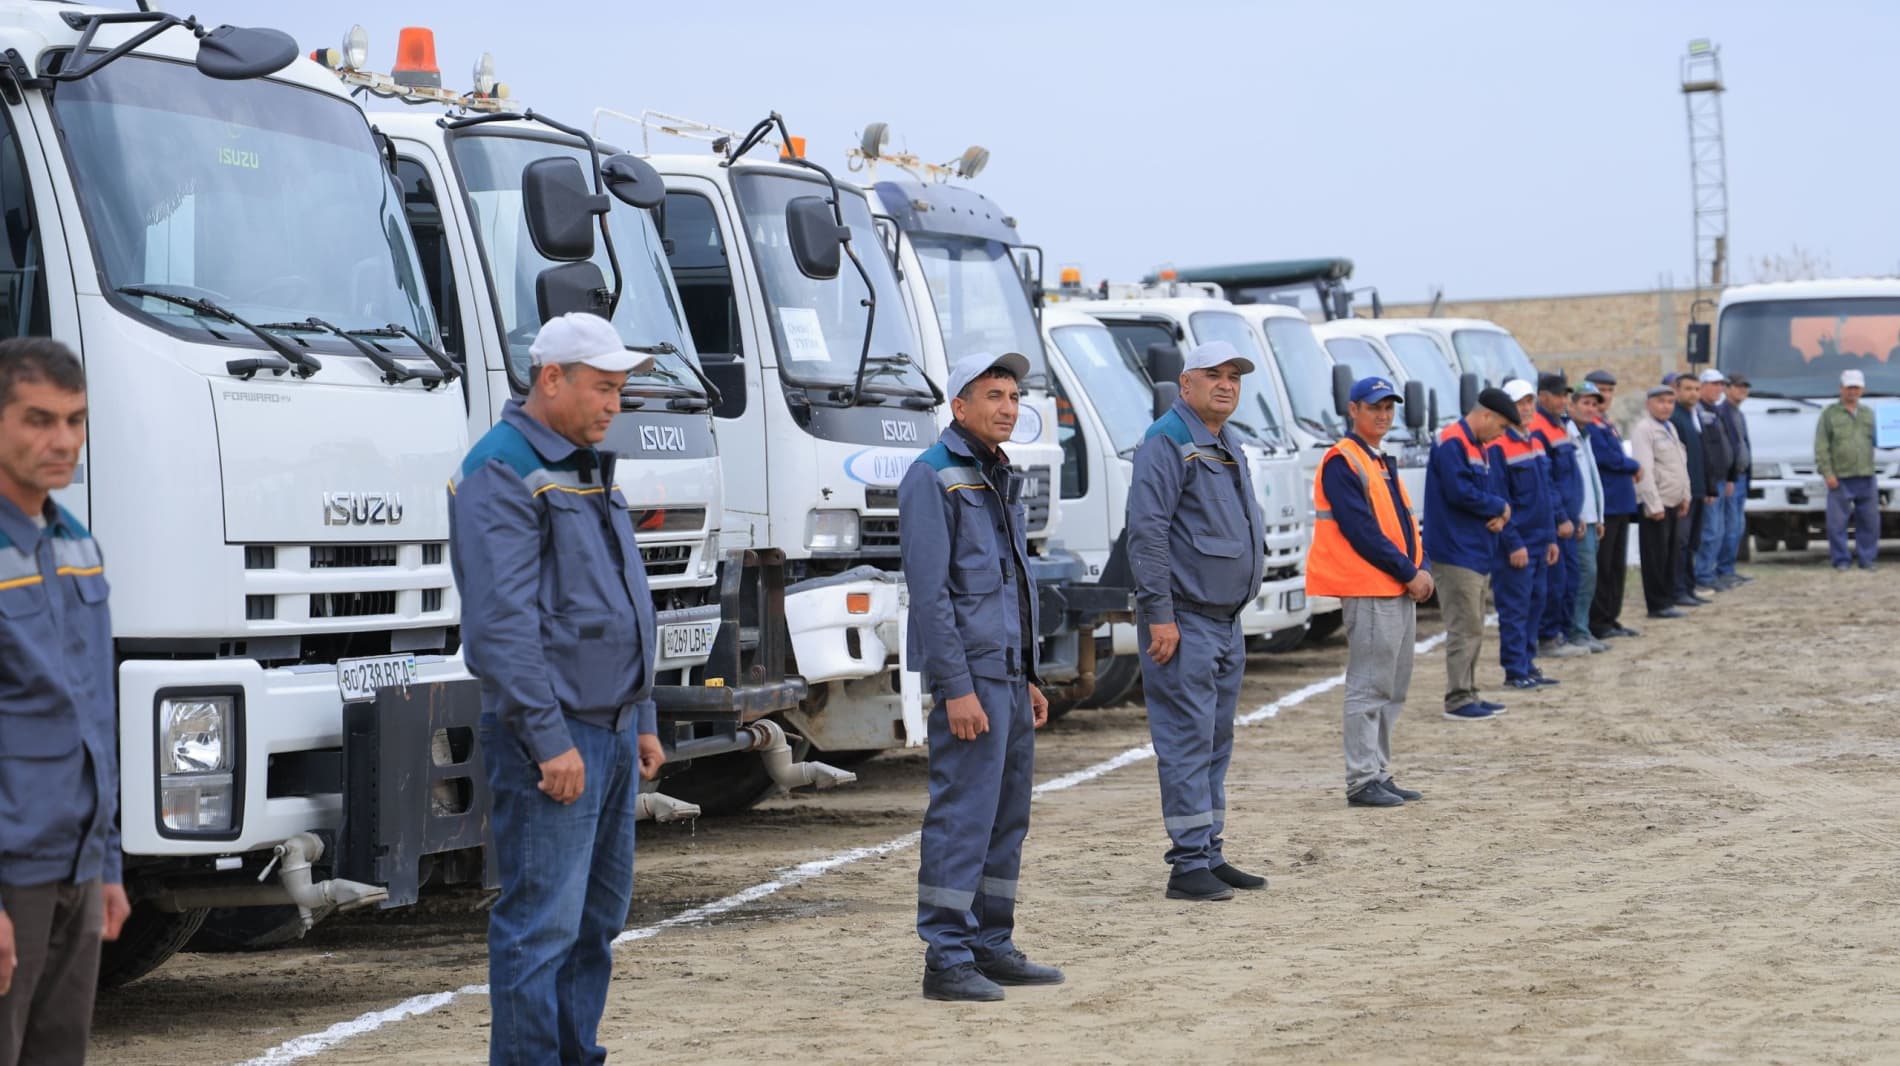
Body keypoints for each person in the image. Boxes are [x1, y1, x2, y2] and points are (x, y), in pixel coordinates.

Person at [449, 312, 667, 1064]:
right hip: (558, 737)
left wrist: (640, 714)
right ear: (552, 379)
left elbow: (620, 598)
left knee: (595, 920)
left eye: (620, 390)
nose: (614, 404)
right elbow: (501, 628)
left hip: (606, 729)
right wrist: (549, 741)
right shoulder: (503, 469)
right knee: (541, 926)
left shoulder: (581, 461)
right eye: (603, 388)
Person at [900, 351, 1061, 1002]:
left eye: (1014, 396)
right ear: (958, 407)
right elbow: (931, 595)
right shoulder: (933, 476)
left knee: (1005, 818)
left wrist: (1024, 674)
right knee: (963, 818)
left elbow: (1007, 587)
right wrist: (958, 686)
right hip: (970, 680)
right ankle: (946, 956)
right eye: (993, 395)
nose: (1008, 407)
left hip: (1006, 676)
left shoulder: (992, 473)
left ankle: (991, 944)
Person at [0, 338, 129, 1065]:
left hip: (76, 869)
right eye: (38, 420)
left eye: (75, 421)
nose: (62, 442)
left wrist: (108, 865)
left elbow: (95, 717)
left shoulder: (77, 543)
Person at [1128, 340, 1268, 902]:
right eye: (1214, 374)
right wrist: (1159, 615)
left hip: (1223, 620)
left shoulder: (1223, 439)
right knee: (1187, 739)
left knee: (1214, 739)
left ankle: (1208, 849)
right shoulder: (1167, 440)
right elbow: (1149, 532)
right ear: (1185, 384)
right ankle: (1187, 864)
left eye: (1234, 375)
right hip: (1184, 621)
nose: (1227, 384)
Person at [1309, 376, 1433, 808]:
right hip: (1371, 586)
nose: (1383, 415)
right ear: (1353, 409)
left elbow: (1400, 525)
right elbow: (1362, 531)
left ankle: (1378, 771)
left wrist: (1421, 566)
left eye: (1388, 408)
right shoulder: (1344, 459)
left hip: (1393, 585)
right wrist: (1410, 571)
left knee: (1392, 685)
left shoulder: (1377, 459)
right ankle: (1362, 778)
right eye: (1374, 407)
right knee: (1369, 685)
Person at [1422, 388, 1518, 723]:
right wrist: (1498, 507)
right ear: (1486, 415)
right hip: (1455, 551)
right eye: (1502, 426)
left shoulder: (1477, 446)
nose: (1501, 434)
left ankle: (1470, 691)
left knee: (1474, 624)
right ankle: (1458, 697)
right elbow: (1459, 491)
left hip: (1474, 549)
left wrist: (1500, 512)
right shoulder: (1453, 441)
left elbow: (1484, 492)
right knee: (1465, 625)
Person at [1489, 379, 1560, 689]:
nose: (1528, 408)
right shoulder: (1497, 446)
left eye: (1530, 402)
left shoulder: (1534, 441)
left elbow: (1547, 493)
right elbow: (1499, 500)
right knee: (1515, 608)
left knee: (1536, 604)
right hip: (1517, 545)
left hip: (1540, 541)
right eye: (1521, 403)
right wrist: (1513, 543)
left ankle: (1528, 663)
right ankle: (1515, 669)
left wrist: (1551, 538)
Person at [1526, 373, 1587, 659]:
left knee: (1570, 578)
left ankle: (1560, 632)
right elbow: (1547, 481)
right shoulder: (1538, 428)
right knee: (1555, 581)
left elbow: (1570, 478)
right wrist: (1561, 516)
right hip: (1554, 522)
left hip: (1569, 518)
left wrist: (1577, 514)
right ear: (1544, 396)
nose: (1564, 400)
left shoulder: (1558, 426)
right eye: (1559, 395)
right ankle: (1548, 636)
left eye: (1566, 395)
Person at [1583, 370, 1643, 640]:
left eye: (1608, 391)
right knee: (1603, 566)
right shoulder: (1590, 426)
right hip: (1606, 505)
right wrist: (1634, 465)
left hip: (1620, 502)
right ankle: (1599, 621)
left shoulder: (1605, 423)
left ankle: (1611, 617)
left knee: (1616, 567)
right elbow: (1608, 458)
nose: (1605, 396)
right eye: (1599, 391)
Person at [1632, 384, 1693, 619]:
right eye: (1661, 401)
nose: (1666, 406)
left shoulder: (1670, 428)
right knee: (1655, 556)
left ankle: (1667, 599)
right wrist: (1653, 504)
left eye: (1670, 402)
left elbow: (1679, 463)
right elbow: (1644, 468)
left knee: (1669, 554)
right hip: (1657, 503)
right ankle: (1657, 604)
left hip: (1674, 500)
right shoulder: (1644, 430)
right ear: (1649, 404)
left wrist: (1685, 495)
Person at [1815, 368, 1879, 572]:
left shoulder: (1869, 413)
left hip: (1866, 475)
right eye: (1849, 387)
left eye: (1856, 388)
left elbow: (1879, 439)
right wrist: (1828, 473)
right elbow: (1821, 445)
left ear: (1862, 389)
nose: (1853, 391)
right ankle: (1841, 560)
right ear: (1841, 389)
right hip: (1840, 477)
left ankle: (1867, 559)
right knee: (1837, 523)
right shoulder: (1829, 414)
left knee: (1869, 521)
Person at [1565, 382, 1610, 651]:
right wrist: (1579, 514)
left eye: (1595, 404)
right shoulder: (1567, 435)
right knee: (1583, 575)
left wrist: (1600, 516)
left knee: (1590, 576)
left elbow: (1593, 479)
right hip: (1580, 519)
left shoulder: (1586, 434)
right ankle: (1576, 630)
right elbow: (1573, 482)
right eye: (1585, 403)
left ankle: (1582, 628)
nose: (1591, 409)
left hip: (1593, 518)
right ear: (1571, 406)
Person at [1667, 372, 1713, 606]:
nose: (1693, 393)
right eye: (1688, 389)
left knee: (1693, 542)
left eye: (1696, 389)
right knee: (1681, 543)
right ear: (1676, 390)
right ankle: (1677, 590)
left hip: (1698, 491)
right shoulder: (1675, 418)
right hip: (1682, 493)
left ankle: (1689, 587)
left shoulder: (1694, 416)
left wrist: (1708, 488)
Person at [1692, 368, 1739, 592]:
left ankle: (1709, 571)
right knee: (1709, 531)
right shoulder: (1699, 412)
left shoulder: (1717, 411)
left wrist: (1730, 476)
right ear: (1702, 386)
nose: (1718, 388)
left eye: (1721, 384)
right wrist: (1709, 484)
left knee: (1719, 529)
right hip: (1710, 482)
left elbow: (1726, 446)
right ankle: (1702, 574)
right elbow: (1705, 452)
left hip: (1722, 479)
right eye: (1713, 384)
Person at [1715, 373, 1754, 585]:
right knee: (1729, 526)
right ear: (1727, 388)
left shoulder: (1739, 414)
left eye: (1745, 387)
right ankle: (1723, 570)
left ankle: (1728, 568)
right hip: (1730, 478)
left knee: (1737, 526)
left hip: (1740, 476)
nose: (1742, 390)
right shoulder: (1722, 413)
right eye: (1738, 386)